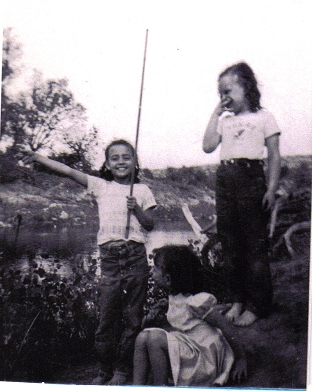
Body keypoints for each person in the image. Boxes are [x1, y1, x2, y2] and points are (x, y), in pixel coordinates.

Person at [20, 139, 157, 385]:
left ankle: (123, 370)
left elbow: (150, 224)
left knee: (133, 317)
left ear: (135, 161)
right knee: (107, 317)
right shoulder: (101, 186)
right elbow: (70, 171)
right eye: (114, 158)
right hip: (110, 258)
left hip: (135, 255)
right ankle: (104, 369)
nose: (121, 161)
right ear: (106, 164)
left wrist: (136, 208)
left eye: (126, 157)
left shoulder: (143, 190)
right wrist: (40, 159)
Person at [202, 62, 281, 326]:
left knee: (254, 244)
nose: (224, 97)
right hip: (225, 180)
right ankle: (237, 300)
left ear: (246, 87)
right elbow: (207, 146)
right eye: (219, 93)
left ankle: (258, 305)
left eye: (228, 91)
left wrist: (270, 188)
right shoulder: (225, 121)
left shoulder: (264, 117)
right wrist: (215, 113)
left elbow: (274, 156)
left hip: (251, 178)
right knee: (230, 244)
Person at [133, 245, 247, 386]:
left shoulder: (196, 303)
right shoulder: (176, 298)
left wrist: (241, 359)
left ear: (168, 279)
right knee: (142, 337)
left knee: (154, 339)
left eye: (155, 268)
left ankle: (160, 386)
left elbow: (225, 326)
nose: (151, 272)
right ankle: (137, 387)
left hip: (203, 358)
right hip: (189, 347)